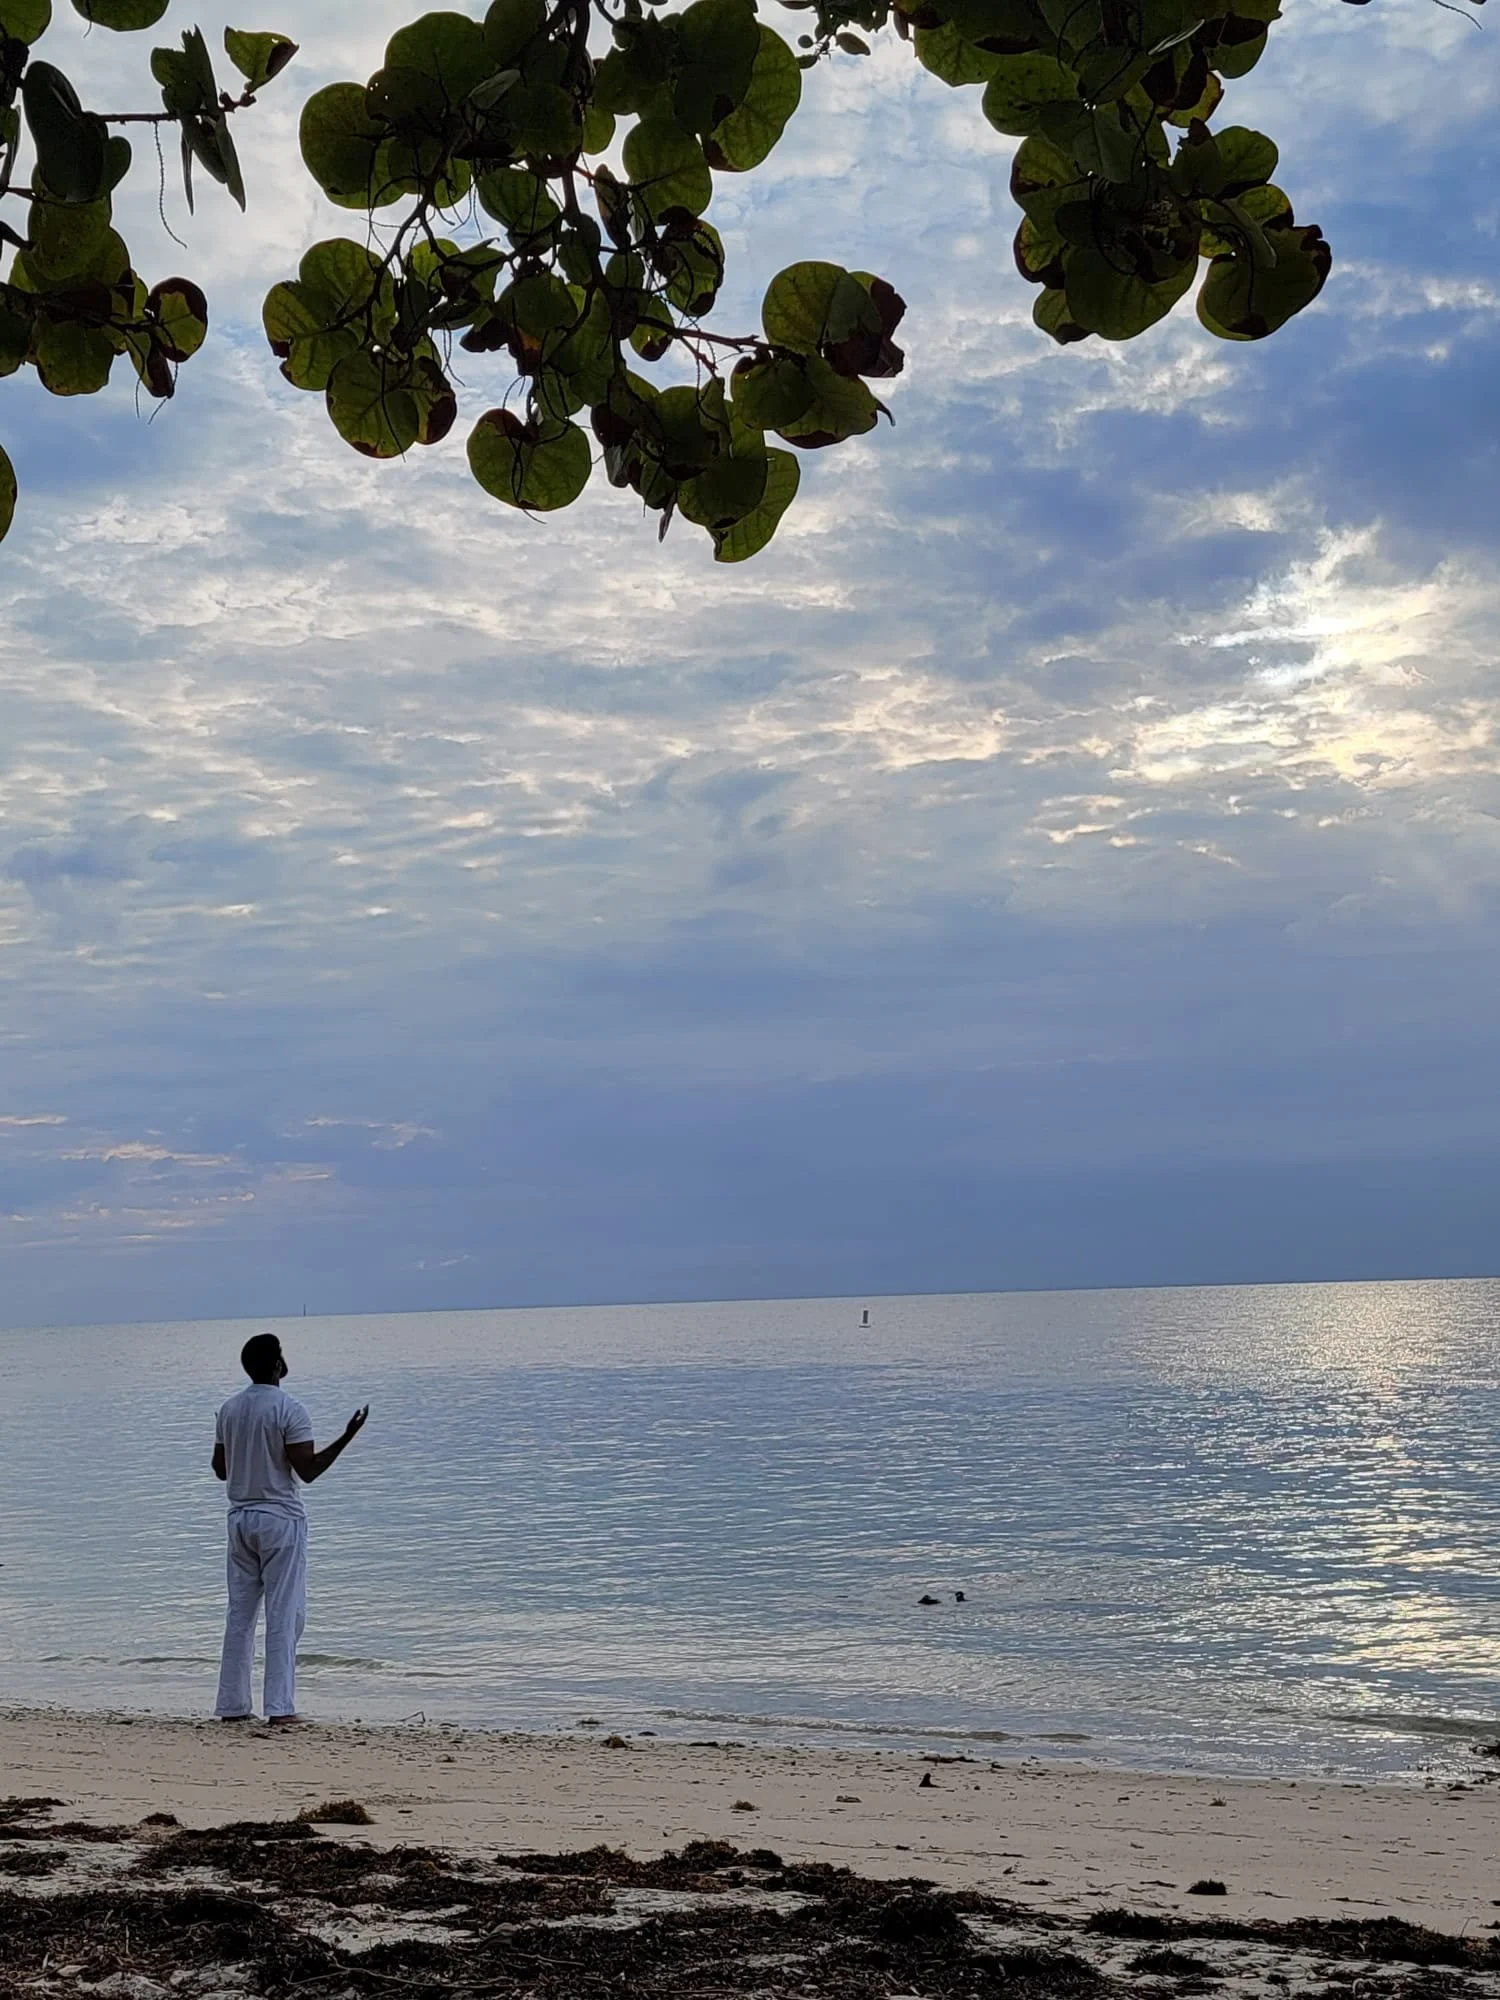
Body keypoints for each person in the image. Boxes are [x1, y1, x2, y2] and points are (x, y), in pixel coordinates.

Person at [211, 1332, 368, 1724]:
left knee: (240, 1615)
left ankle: (232, 1705)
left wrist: (247, 1453)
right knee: (284, 1615)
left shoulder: (229, 1409)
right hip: (280, 1518)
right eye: (282, 1356)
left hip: (240, 1518)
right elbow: (308, 1470)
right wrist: (348, 1436)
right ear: (277, 1364)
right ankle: (280, 1709)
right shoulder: (290, 1408)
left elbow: (220, 1469)